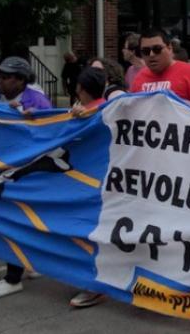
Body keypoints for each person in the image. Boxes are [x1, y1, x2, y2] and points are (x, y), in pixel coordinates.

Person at [0, 56, 53, 298]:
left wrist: (29, 120)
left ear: (21, 80)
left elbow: (54, 134)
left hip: (28, 172)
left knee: (15, 220)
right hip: (1, 168)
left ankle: (13, 277)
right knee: (15, 220)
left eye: (5, 77)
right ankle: (29, 262)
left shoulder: (38, 101)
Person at [67, 67, 109, 308]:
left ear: (80, 89)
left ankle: (94, 285)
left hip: (94, 185)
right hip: (88, 183)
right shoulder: (83, 112)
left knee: (88, 233)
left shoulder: (101, 112)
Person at [130, 29, 190, 114]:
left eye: (157, 49)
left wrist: (178, 104)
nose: (151, 54)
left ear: (169, 48)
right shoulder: (140, 77)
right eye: (146, 51)